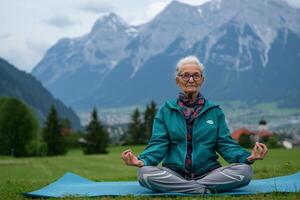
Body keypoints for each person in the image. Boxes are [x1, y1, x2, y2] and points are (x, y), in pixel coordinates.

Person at [121, 55, 268, 194]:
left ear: (202, 80)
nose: (191, 80)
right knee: (144, 173)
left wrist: (248, 157)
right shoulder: (166, 111)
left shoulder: (214, 111)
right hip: (174, 173)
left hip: (210, 173)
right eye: (185, 75)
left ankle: (187, 188)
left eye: (196, 75)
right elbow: (158, 144)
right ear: (177, 80)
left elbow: (225, 144)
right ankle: (202, 190)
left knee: (245, 171)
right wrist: (142, 160)